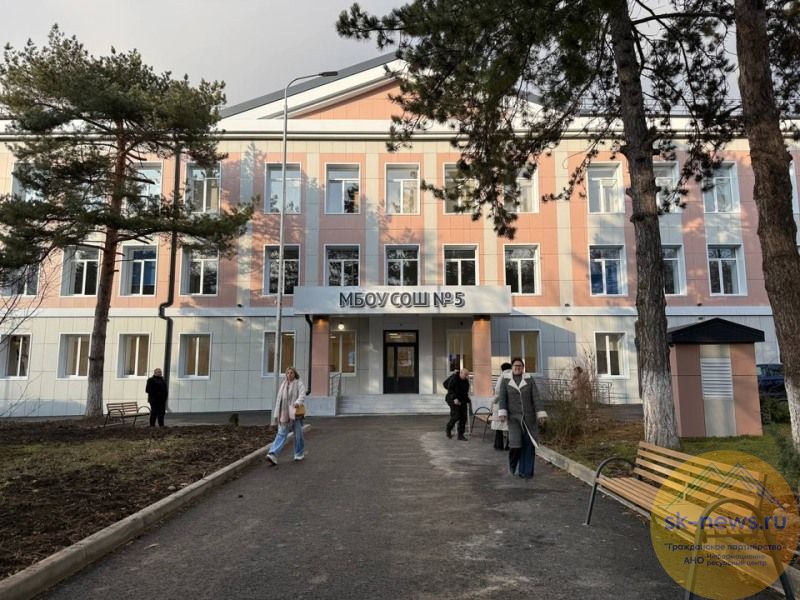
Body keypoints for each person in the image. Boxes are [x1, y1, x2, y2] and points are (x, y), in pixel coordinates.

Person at [497, 358, 547, 479]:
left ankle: (526, 472)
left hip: (529, 418)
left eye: (520, 366)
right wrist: (502, 412)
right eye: (515, 366)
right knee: (515, 445)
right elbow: (502, 397)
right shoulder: (505, 380)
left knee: (528, 445)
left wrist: (540, 413)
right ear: (512, 367)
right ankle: (512, 466)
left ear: (523, 368)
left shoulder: (529, 379)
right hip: (513, 418)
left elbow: (536, 397)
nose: (517, 368)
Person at [266, 367, 306, 465]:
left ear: (295, 374)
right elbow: (279, 400)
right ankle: (272, 454)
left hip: (295, 413)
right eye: (288, 373)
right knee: (281, 433)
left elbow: (302, 394)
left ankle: (299, 453)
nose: (289, 375)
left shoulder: (298, 383)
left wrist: (297, 402)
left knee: (298, 434)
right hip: (284, 413)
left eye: (291, 373)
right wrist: (276, 414)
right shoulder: (283, 385)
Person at [445, 368, 471, 441]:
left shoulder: (466, 382)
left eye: (467, 375)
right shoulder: (454, 379)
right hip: (452, 399)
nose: (467, 376)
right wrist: (454, 398)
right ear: (461, 373)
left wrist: (467, 400)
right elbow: (450, 390)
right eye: (465, 375)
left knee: (463, 417)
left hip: (462, 400)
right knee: (456, 416)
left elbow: (465, 393)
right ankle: (448, 428)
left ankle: (460, 435)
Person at [491, 362, 512, 450]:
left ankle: (498, 445)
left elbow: (498, 391)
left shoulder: (502, 377)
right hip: (511, 404)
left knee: (498, 426)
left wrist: (494, 400)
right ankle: (509, 445)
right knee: (510, 426)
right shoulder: (513, 376)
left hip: (500, 405)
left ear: (502, 369)